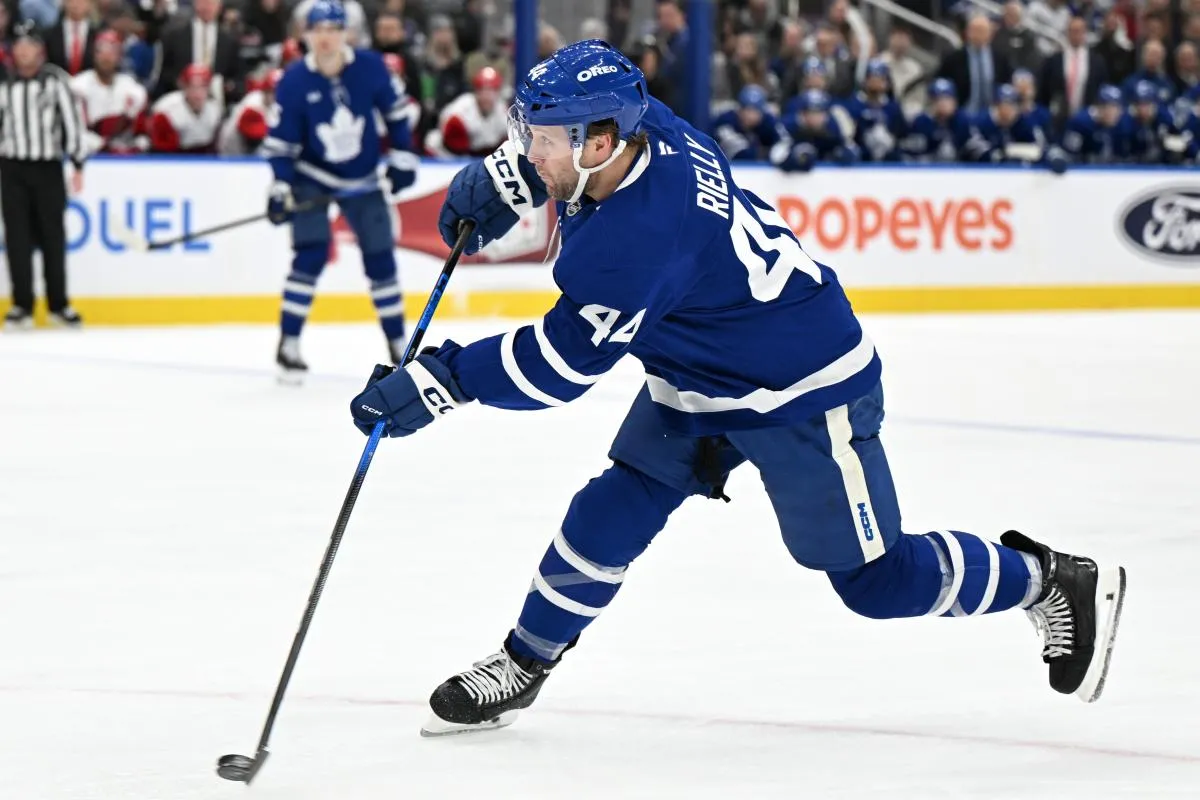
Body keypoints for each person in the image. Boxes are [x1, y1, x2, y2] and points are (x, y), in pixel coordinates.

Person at [345, 40, 1127, 736]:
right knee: (609, 509)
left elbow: (557, 368)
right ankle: (525, 662)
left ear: (603, 140)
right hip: (702, 369)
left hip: (803, 389)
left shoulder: (637, 240)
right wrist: (509, 176)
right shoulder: (651, 132)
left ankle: (1050, 580)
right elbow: (571, 186)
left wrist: (443, 379)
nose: (531, 150)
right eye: (531, 134)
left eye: (544, 141)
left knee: (875, 582)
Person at [262, 0, 418, 383]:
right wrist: (281, 185)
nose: (326, 37)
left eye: (333, 29)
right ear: (307, 35)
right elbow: (282, 144)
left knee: (381, 259)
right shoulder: (295, 80)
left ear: (345, 32)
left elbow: (397, 117)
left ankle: (398, 344)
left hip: (363, 179)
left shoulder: (370, 67)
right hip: (313, 176)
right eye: (319, 30)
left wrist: (402, 158)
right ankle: (289, 344)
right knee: (309, 257)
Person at [0, 20, 86, 330]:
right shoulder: (4, 83)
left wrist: (77, 163)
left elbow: (72, 123)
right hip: (12, 167)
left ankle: (58, 304)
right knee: (17, 239)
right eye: (19, 46)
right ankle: (22, 305)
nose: (24, 52)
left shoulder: (55, 81)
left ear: (40, 49)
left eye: (30, 45)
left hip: (47, 166)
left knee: (53, 237)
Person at [71, 29, 150, 155]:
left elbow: (140, 132)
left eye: (112, 52)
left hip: (123, 154)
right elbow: (75, 130)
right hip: (88, 154)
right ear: (94, 55)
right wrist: (102, 145)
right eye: (101, 52)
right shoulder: (78, 85)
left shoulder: (131, 87)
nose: (106, 58)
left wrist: (135, 146)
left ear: (120, 56)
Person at [902, 77, 971, 162]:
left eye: (947, 98)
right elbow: (911, 156)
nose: (943, 103)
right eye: (938, 99)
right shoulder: (921, 123)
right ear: (931, 102)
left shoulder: (962, 121)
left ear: (955, 101)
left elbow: (976, 152)